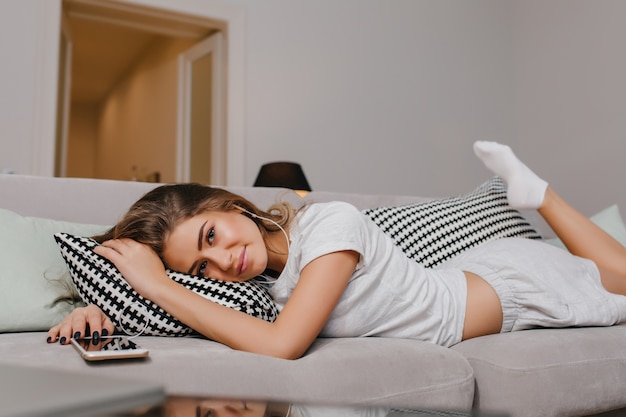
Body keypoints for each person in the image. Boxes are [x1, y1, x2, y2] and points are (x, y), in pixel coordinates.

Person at [47, 142, 626, 359]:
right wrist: (95, 312)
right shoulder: (255, 287)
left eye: (212, 237)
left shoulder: (330, 226)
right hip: (467, 275)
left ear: (229, 206)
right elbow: (200, 320)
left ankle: (537, 193)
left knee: (619, 277)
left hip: (503, 288)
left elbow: (282, 345)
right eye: (202, 267)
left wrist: (159, 283)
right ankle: (532, 195)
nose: (222, 264)